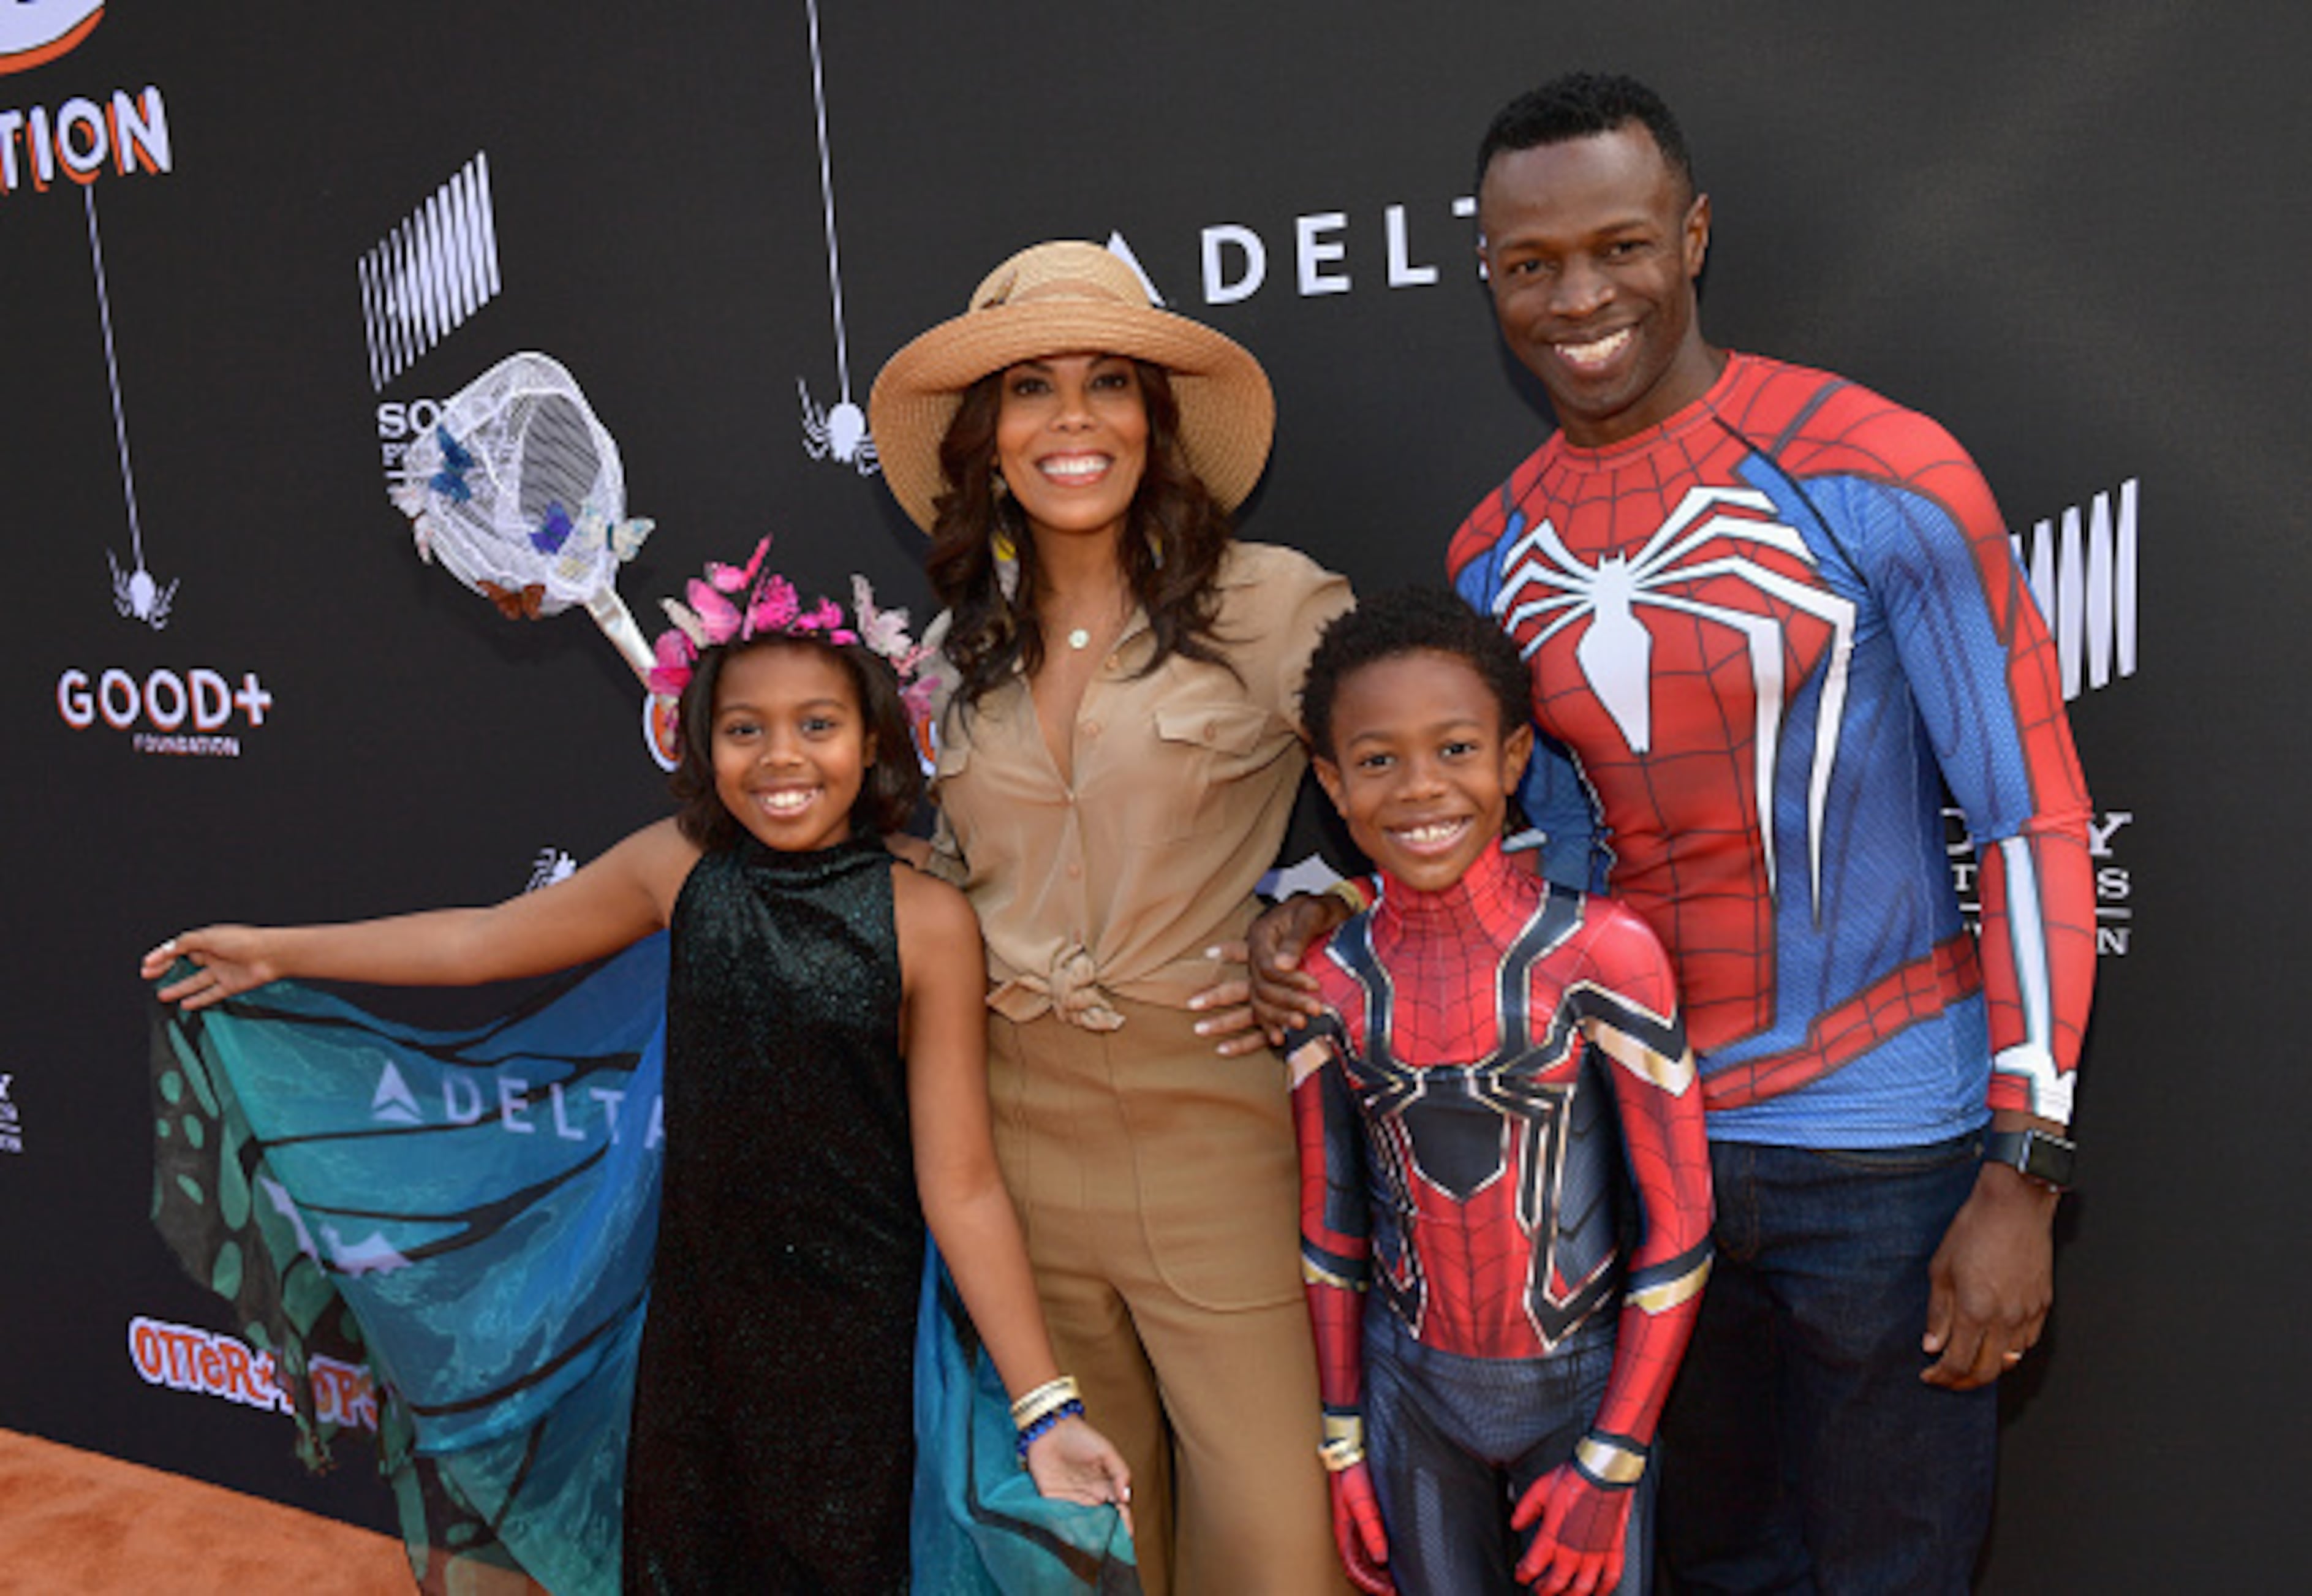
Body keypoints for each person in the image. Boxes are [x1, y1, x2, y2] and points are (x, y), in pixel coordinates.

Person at [1252, 74, 2097, 1594]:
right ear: (1491, 273)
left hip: (1891, 1151)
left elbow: (2032, 814)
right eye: (1531, 263)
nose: (1580, 297)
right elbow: (1511, 860)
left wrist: (2023, 1165)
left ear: (1693, 235)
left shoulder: (1874, 471)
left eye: (1621, 245)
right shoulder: (1491, 554)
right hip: (1648, 1170)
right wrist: (1323, 909)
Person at [142, 549, 1131, 1595]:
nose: (780, 757)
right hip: (699, 1334)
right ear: (700, 741)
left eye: (818, 725)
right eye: (744, 728)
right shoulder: (678, 869)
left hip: (859, 1348)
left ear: (878, 738)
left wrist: (1046, 1409)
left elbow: (962, 1180)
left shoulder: (925, 920)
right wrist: (283, 950)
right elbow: (480, 943)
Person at [866, 240, 1354, 1596]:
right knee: (1085, 1546)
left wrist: (1322, 902)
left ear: (1158, 422)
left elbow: (1434, 795)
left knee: (1276, 1544)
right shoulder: (960, 652)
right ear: (988, 438)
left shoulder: (1277, 605)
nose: (1071, 420)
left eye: (1107, 386)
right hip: (1010, 1142)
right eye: (1031, 388)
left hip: (1214, 1128)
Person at [1282, 589, 1713, 1596]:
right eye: (1379, 760)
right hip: (1412, 1403)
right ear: (1330, 781)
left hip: (1585, 1396)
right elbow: (1330, 1227)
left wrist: (1613, 1455)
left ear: (1516, 758)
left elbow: (1681, 1223)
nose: (1421, 789)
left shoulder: (1607, 954)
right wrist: (1345, 1443)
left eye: (1457, 750)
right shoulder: (1328, 983)